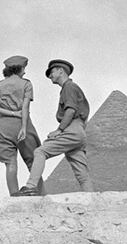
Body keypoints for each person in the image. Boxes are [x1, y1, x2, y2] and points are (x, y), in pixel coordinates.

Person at [12, 59, 93, 196]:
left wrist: (60, 130)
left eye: (51, 72)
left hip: (71, 129)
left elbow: (70, 111)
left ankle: (31, 186)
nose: (50, 76)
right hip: (79, 131)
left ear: (61, 71)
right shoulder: (70, 88)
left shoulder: (69, 87)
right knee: (82, 174)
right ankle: (92, 202)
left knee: (40, 152)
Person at [0, 55, 43, 195]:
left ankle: (14, 194)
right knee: (33, 162)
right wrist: (24, 127)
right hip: (22, 123)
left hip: (4, 125)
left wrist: (11, 114)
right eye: (24, 68)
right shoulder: (26, 84)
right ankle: (42, 194)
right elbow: (25, 108)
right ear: (18, 69)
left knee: (10, 163)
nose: (25, 72)